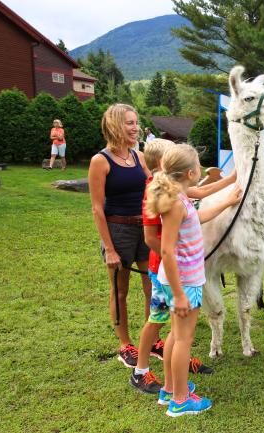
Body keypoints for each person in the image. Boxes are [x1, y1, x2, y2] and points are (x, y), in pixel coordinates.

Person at [130, 138, 240, 394]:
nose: (201, 169)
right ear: (191, 173)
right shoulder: (176, 203)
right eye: (200, 166)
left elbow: (196, 217)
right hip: (183, 282)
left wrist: (225, 202)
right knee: (183, 340)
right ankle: (180, 400)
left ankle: (170, 390)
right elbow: (166, 249)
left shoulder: (178, 197)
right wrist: (179, 294)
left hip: (182, 280)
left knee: (175, 337)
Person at [89, 103, 152, 369]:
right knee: (120, 290)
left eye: (136, 122)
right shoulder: (100, 161)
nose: (135, 127)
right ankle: (125, 344)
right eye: (129, 123)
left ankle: (152, 340)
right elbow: (96, 208)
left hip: (145, 230)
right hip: (119, 230)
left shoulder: (139, 156)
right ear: (115, 125)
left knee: (153, 286)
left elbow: (154, 186)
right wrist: (110, 248)